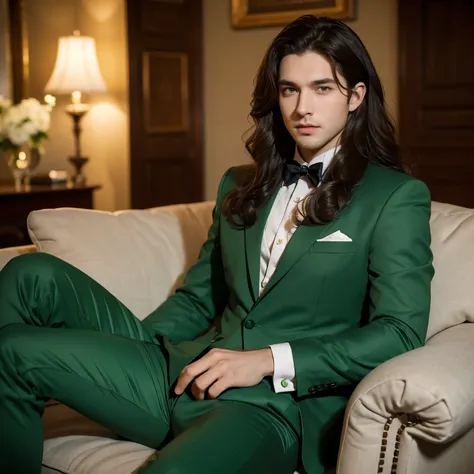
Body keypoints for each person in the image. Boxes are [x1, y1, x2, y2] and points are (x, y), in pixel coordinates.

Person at [0, 15, 434, 474]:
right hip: (185, 370)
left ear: (355, 96)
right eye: (289, 89)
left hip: (270, 406)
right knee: (28, 281)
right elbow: (198, 297)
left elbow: (400, 331)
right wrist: (133, 359)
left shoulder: (393, 197)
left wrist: (267, 361)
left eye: (322, 88)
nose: (303, 107)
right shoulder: (240, 184)